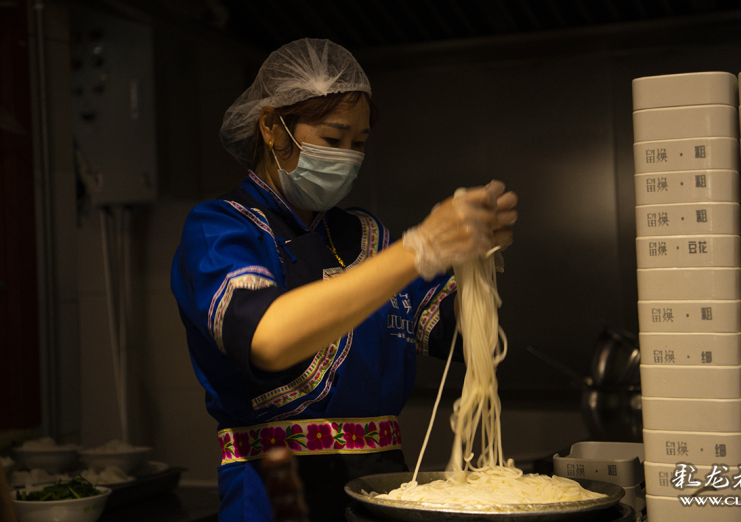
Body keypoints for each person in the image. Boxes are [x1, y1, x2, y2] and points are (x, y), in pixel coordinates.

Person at [171, 38, 517, 522]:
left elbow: (460, 335)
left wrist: (474, 261)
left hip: (384, 490)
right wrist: (420, 249)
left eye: (359, 144)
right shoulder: (222, 228)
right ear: (271, 127)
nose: (348, 157)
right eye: (333, 140)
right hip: (276, 493)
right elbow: (268, 339)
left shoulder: (368, 235)